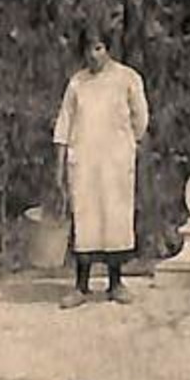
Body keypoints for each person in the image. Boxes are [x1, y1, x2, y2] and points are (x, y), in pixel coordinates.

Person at [52, 22, 149, 308]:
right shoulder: (77, 83)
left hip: (115, 161)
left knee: (115, 217)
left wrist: (125, 145)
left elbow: (140, 118)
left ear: (107, 49)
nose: (93, 56)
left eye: (99, 48)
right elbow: (63, 126)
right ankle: (81, 286)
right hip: (83, 161)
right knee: (86, 218)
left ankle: (115, 283)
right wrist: (58, 170)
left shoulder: (127, 78)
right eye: (88, 50)